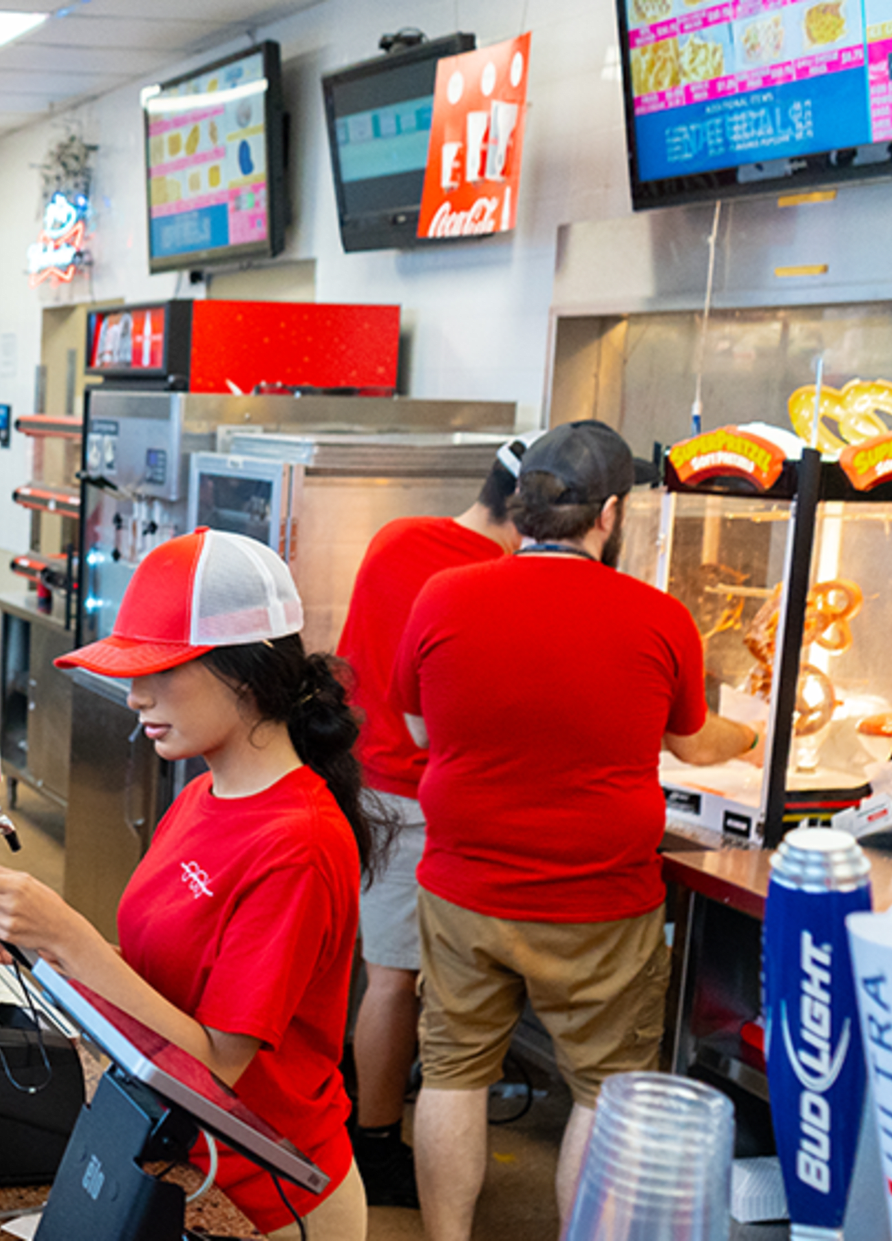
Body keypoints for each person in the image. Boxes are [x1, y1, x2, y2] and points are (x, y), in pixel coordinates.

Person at [0, 530, 387, 1240]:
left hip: (266, 1197)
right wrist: (39, 947)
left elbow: (216, 1069)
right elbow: (168, 969)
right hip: (176, 1150)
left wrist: (67, 935)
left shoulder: (297, 840)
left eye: (161, 670)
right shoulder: (205, 789)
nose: (134, 694)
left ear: (248, 672)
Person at [391, 420, 760, 1241]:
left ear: (520, 508)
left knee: (452, 1073)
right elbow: (694, 743)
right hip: (602, 897)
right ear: (612, 515)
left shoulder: (444, 595)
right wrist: (755, 736)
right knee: (600, 1086)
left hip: (466, 886)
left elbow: (419, 731)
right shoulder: (659, 617)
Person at [328, 434, 530, 1208]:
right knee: (394, 979)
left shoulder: (397, 537)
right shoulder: (489, 577)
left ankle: (355, 1106)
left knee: (365, 967)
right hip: (415, 793)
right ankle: (374, 1146)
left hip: (358, 776)